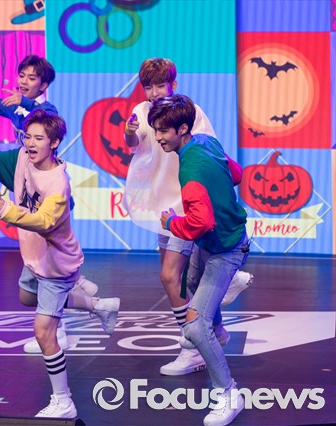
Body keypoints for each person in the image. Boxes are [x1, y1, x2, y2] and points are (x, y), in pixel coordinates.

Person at [0, 110, 120, 418]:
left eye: (39, 138)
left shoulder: (58, 184)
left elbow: (44, 222)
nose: (31, 143)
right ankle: (99, 306)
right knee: (27, 297)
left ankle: (63, 401)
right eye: (27, 137)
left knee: (43, 332)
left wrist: (7, 211)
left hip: (55, 263)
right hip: (33, 257)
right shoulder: (23, 158)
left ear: (54, 143)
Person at [122, 58, 252, 376]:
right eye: (148, 86)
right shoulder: (141, 111)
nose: (154, 92)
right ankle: (213, 326)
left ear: (173, 86)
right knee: (181, 278)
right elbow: (133, 145)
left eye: (160, 85)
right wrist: (129, 133)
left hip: (185, 203)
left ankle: (192, 345)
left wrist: (216, 188)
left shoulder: (189, 114)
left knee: (171, 277)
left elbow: (210, 152)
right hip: (162, 204)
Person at [0, 54, 99, 353]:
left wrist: (23, 103)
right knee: (37, 270)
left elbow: (41, 117)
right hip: (25, 176)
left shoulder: (45, 110)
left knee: (52, 252)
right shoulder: (16, 107)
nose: (23, 81)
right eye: (21, 75)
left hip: (46, 188)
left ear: (43, 85)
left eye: (31, 77)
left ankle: (60, 327)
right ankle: (83, 292)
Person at [153, 94, 249, 426]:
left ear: (182, 129)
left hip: (225, 249)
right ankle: (218, 332)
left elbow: (200, 223)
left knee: (194, 326)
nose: (158, 137)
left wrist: (170, 223)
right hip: (212, 244)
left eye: (163, 131)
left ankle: (229, 393)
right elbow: (236, 174)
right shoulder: (206, 141)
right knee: (189, 283)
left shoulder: (191, 171)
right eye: (155, 130)